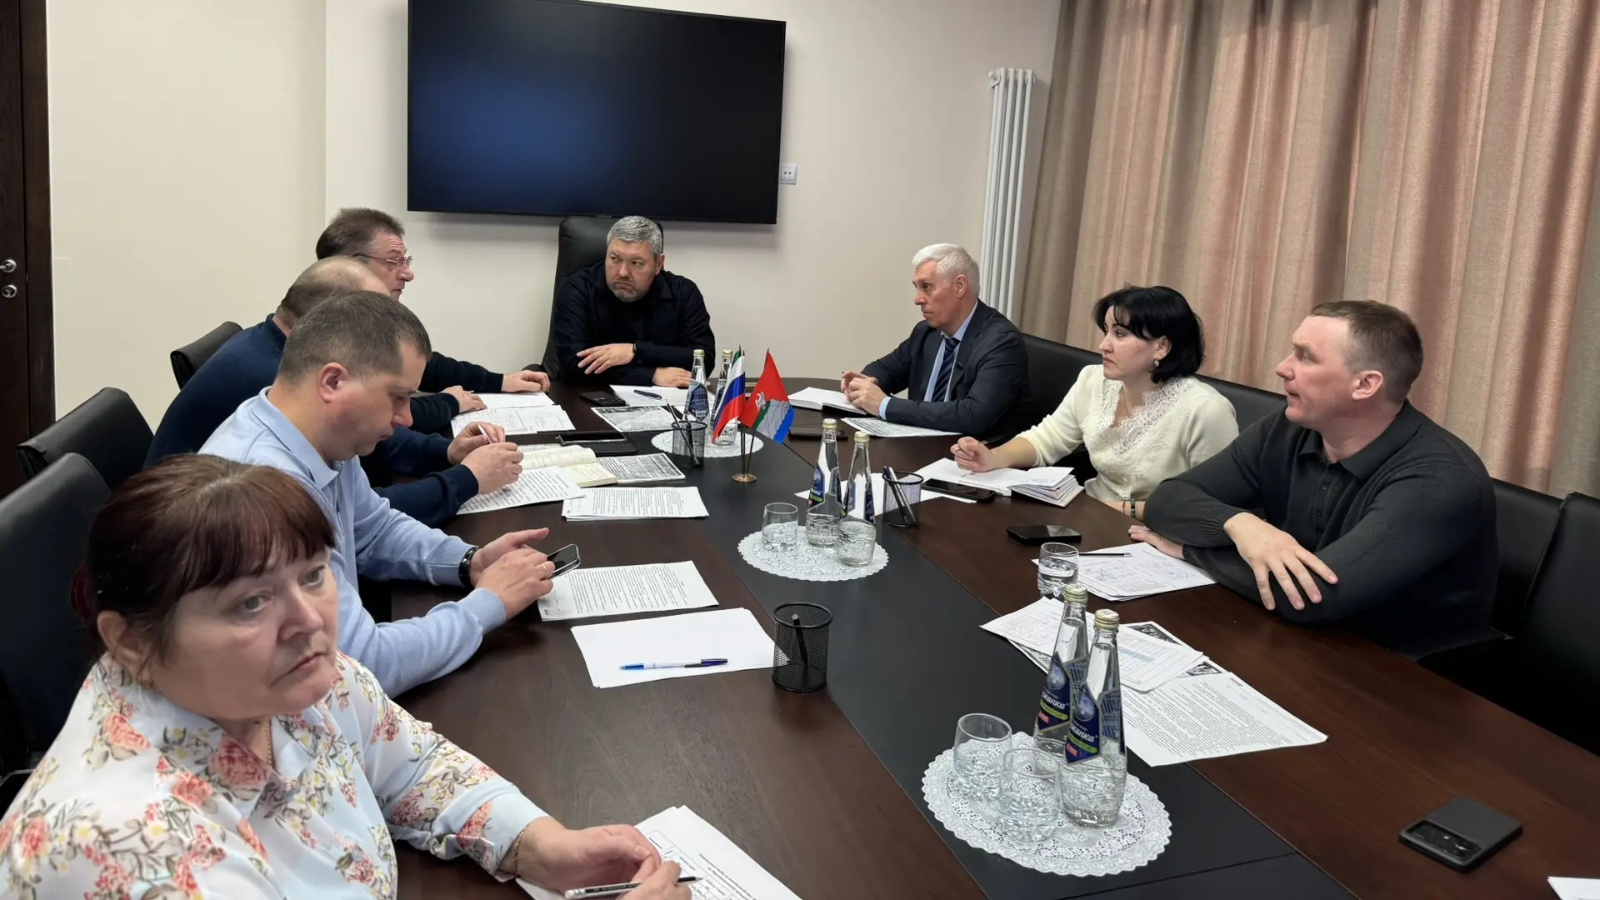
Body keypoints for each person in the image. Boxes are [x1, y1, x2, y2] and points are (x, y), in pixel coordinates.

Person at [0, 456, 689, 899]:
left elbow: (413, 766)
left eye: (312, 575)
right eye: (250, 603)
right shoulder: (125, 845)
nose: (309, 620)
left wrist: (539, 844)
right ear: (130, 641)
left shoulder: (285, 680)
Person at [202, 291, 554, 695]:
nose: (406, 417)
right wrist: (490, 603)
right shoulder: (262, 494)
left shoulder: (320, 436)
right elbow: (360, 668)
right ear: (333, 381)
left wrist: (468, 561)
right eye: (397, 398)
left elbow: (373, 529)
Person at [1133, 301, 1496, 659]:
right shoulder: (1288, 428)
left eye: (1305, 357)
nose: (1282, 368)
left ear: (1365, 384)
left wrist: (1192, 552)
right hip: (1300, 639)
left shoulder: (1439, 478)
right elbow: (1167, 501)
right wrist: (1240, 524)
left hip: (1399, 670)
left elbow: (1312, 595)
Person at [145, 258, 521, 527]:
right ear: (333, 325)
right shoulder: (273, 380)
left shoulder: (281, 356)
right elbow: (343, 520)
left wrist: (446, 452)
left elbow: (364, 514)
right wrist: (465, 480)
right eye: (376, 321)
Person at [951, 286, 1237, 516]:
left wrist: (1125, 511)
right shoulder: (1093, 380)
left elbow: (1216, 506)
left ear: (1161, 346)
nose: (1103, 345)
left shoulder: (1205, 410)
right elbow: (1046, 439)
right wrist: (993, 457)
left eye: (1120, 334)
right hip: (1091, 516)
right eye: (1106, 331)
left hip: (1158, 536)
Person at [315, 207, 550, 432]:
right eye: (393, 261)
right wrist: (449, 402)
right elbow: (379, 415)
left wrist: (501, 381)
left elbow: (424, 366)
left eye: (406, 261)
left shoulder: (365, 319)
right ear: (351, 265)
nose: (408, 274)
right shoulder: (322, 331)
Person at [841, 244, 1030, 440]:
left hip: (974, 453)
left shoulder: (1002, 342)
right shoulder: (926, 332)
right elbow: (885, 370)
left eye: (926, 287)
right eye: (916, 288)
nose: (917, 299)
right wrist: (863, 384)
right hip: (919, 445)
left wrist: (884, 405)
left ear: (959, 286)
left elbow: (973, 415)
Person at [548, 216, 715, 386]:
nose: (622, 272)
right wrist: (651, 375)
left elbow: (704, 360)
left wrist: (635, 351)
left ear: (658, 264)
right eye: (615, 259)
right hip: (586, 396)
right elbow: (573, 364)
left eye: (636, 263)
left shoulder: (683, 293)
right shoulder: (578, 289)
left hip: (667, 399)